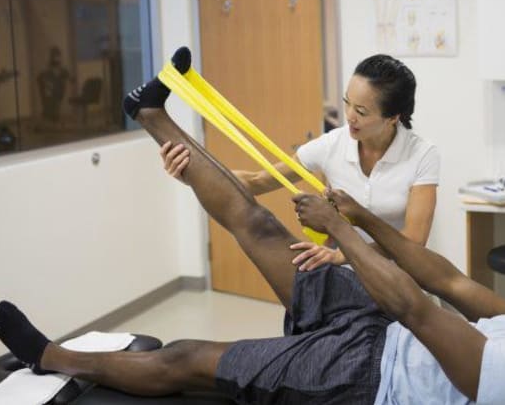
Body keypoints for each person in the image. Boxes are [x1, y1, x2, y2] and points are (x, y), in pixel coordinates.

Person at [0, 49, 505, 404]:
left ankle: (51, 357)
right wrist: (350, 219)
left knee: (189, 354)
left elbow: (420, 301)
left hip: (369, 373)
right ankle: (153, 117)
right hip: (378, 312)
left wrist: (343, 233)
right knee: (259, 228)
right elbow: (447, 279)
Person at [160, 53, 439, 271]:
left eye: (362, 111)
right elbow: (258, 181)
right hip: (347, 275)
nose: (349, 116)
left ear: (393, 117)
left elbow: (414, 239)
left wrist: (341, 255)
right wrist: (191, 172)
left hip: (403, 276)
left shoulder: (421, 155)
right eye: (347, 103)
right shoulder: (332, 145)